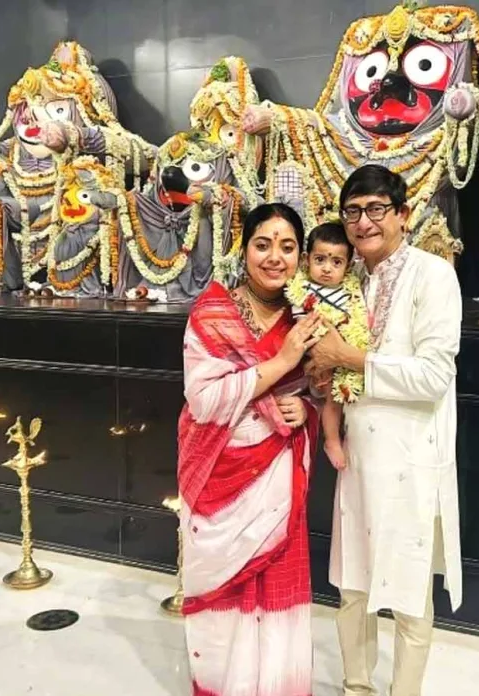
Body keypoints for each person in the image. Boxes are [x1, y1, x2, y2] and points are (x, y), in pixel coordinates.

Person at [306, 165, 463, 696]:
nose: (364, 222)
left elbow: (434, 375)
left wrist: (349, 358)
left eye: (376, 209)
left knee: (411, 595)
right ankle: (356, 686)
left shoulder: (432, 275)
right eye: (353, 211)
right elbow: (324, 364)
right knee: (352, 587)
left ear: (403, 214)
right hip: (357, 459)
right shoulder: (345, 278)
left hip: (410, 459)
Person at [177, 202, 322, 696]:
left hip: (277, 479)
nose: (275, 258)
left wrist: (307, 409)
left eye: (288, 247)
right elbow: (203, 398)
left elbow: (321, 391)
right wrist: (281, 362)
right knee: (225, 599)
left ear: (301, 256)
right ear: (244, 251)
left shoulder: (307, 317)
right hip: (220, 475)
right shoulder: (212, 313)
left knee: (277, 587)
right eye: (263, 244)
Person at [287, 221, 359, 471]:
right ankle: (332, 440)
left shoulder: (350, 291)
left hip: (349, 357)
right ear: (306, 259)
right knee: (331, 398)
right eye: (320, 260)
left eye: (336, 262)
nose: (327, 268)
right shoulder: (302, 290)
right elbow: (304, 327)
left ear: (348, 266)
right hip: (318, 358)